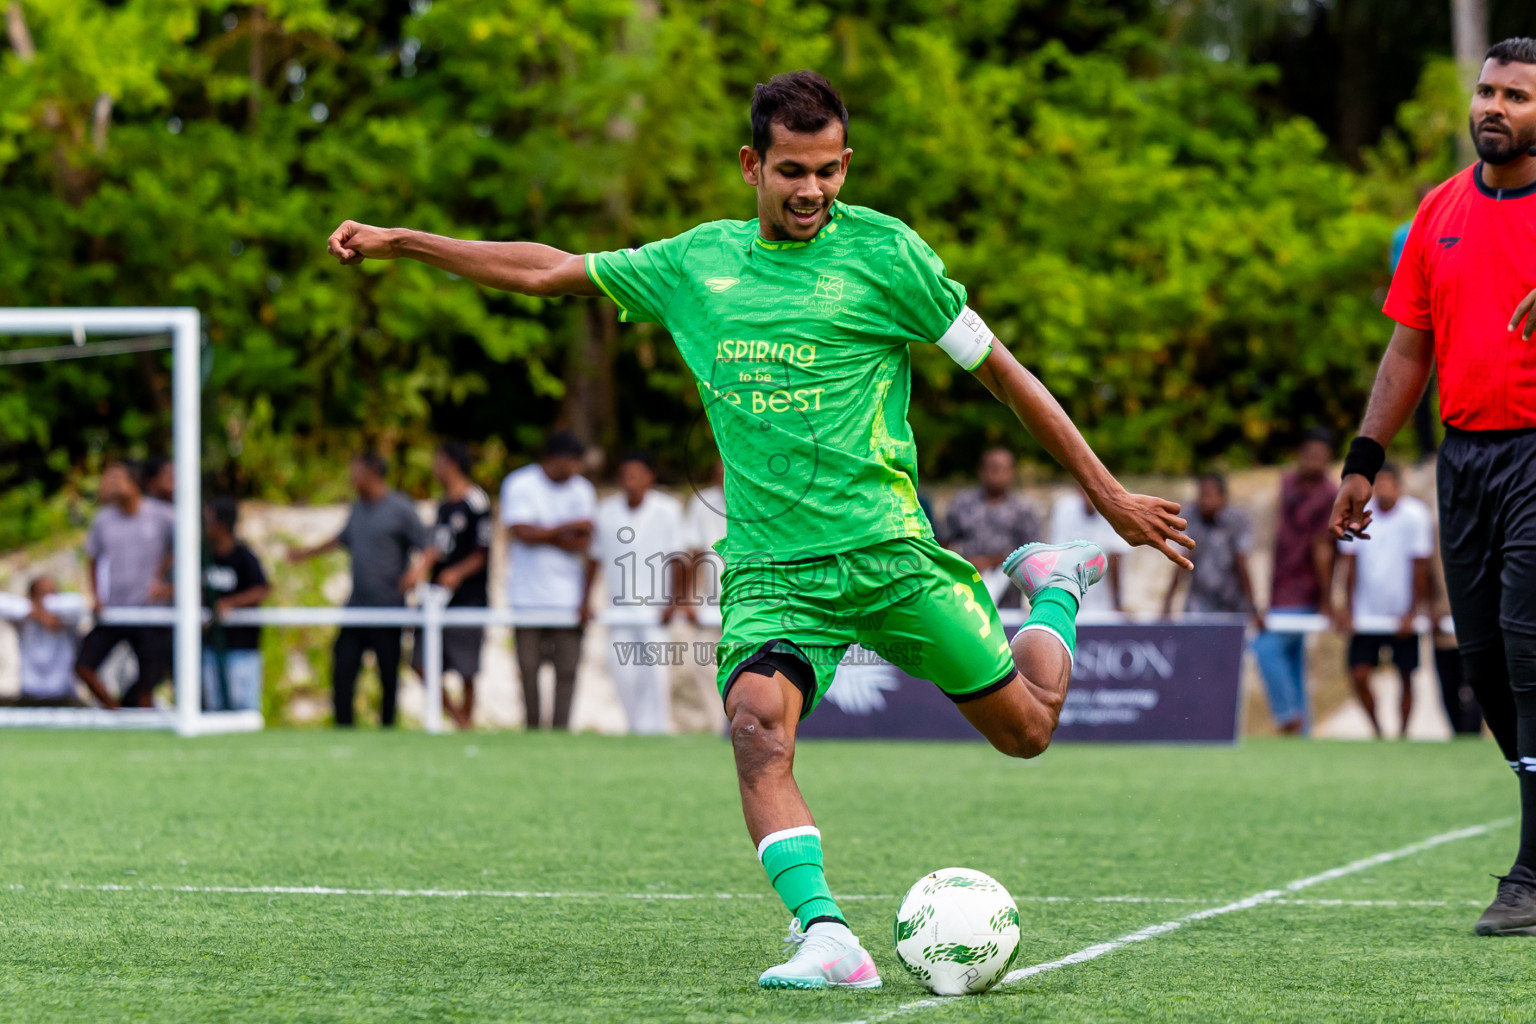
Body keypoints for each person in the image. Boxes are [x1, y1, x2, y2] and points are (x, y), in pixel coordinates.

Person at [327, 70, 1192, 989]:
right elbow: (548, 270)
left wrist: (1107, 494)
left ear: (846, 163)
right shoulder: (697, 265)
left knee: (1026, 731)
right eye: (791, 170)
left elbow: (1006, 375)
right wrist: (406, 242)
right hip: (775, 573)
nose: (812, 190)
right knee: (753, 726)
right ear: (752, 165)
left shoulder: (890, 256)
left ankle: (1053, 589)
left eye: (828, 170)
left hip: (887, 552)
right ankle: (826, 934)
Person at [1330, 38, 1536, 935]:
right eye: (1487, 91)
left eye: (1517, 96)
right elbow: (1409, 348)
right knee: (1484, 663)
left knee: (1528, 649)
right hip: (1466, 459)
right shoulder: (1438, 210)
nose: (1494, 107)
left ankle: (1528, 873)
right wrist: (1363, 460)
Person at [289, 452, 425, 727]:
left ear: (372, 473)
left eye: (356, 470)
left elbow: (427, 544)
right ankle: (344, 728)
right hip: (357, 607)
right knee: (343, 667)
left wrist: (417, 572)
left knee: (388, 675)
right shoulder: (358, 509)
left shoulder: (400, 508)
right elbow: (341, 539)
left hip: (388, 608)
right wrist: (306, 553)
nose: (351, 476)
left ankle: (388, 728)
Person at [500, 431, 596, 731]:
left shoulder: (583, 489)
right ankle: (531, 730)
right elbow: (520, 533)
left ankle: (560, 732)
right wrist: (565, 529)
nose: (577, 470)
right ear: (556, 460)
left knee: (567, 671)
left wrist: (542, 533)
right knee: (528, 670)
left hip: (568, 598)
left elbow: (585, 541)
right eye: (573, 462)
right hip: (526, 597)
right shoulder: (520, 484)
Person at [1334, 464, 1433, 739]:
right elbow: (1349, 564)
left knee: (1406, 675)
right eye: (1381, 483)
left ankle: (1403, 734)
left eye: (1390, 483)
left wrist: (1412, 611)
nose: (1385, 488)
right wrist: (1348, 608)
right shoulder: (1357, 515)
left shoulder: (1415, 515)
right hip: (1368, 612)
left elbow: (1421, 565)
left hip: (1401, 611)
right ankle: (1377, 729)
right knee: (1359, 674)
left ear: (1399, 486)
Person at [1250, 430, 1337, 735]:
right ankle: (1304, 734)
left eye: (1322, 457)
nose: (1315, 462)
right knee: (1293, 660)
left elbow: (1323, 550)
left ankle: (1288, 716)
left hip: (1305, 588)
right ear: (1301, 453)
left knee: (1265, 648)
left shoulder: (1329, 493)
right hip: (1278, 585)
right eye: (1310, 454)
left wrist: (1327, 599)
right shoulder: (1286, 482)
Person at [594, 450, 685, 735]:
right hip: (618, 609)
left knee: (656, 678)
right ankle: (634, 730)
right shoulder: (606, 511)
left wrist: (674, 601)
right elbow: (594, 558)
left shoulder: (667, 509)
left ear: (650, 477)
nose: (630, 481)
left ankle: (656, 733)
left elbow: (679, 558)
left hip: (655, 610)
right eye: (625, 474)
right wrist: (585, 599)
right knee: (624, 676)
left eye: (636, 474)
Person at [404, 441, 492, 730]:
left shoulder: (476, 501)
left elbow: (483, 549)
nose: (434, 467)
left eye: (438, 461)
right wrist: (420, 569)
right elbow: (437, 546)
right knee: (421, 661)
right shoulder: (443, 505)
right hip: (437, 596)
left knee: (466, 668)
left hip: (468, 597)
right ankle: (458, 718)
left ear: (451, 463)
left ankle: (466, 721)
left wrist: (457, 572)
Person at [75, 460, 175, 709]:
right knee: (83, 665)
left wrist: (165, 583)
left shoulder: (162, 515)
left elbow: (188, 548)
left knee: (149, 680)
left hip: (150, 612)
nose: (110, 484)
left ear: (133, 482)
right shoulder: (103, 520)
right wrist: (96, 595)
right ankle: (114, 712)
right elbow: (93, 559)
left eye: (116, 478)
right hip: (117, 609)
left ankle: (143, 721)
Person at [943, 447, 1043, 607]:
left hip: (1008, 595)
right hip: (965, 587)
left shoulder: (1023, 510)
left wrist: (990, 562)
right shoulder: (962, 504)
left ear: (1012, 473)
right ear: (981, 471)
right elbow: (944, 545)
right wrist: (965, 562)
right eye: (993, 468)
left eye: (1004, 469)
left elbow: (1033, 555)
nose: (997, 475)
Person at [202, 497, 270, 712]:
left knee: (244, 707)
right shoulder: (202, 556)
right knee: (214, 706)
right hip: (211, 645)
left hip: (241, 646)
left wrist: (229, 603)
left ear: (221, 525)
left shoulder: (244, 556)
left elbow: (262, 588)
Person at [1160, 474, 1258, 620]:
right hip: (1198, 604)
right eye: (1201, 495)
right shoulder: (1191, 518)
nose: (1203, 501)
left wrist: (1253, 607)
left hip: (1231, 603)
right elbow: (1182, 561)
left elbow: (1242, 563)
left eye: (1208, 495)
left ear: (1222, 496)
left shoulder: (1236, 521)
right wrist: (1168, 602)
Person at [679, 459, 729, 732]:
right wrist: (686, 598)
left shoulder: (760, 499)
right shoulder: (702, 503)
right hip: (711, 603)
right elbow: (691, 553)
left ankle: (744, 725)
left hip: (752, 604)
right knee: (703, 662)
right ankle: (721, 726)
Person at [0, 577, 88, 706]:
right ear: (31, 596)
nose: (47, 599)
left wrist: (47, 611)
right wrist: (36, 611)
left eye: (51, 593)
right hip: (30, 694)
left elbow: (80, 603)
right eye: (41, 593)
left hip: (63, 694)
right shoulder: (23, 619)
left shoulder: (67, 617)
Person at [1048, 488, 1131, 614]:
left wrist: (1117, 603)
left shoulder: (1115, 510)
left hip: (1104, 603)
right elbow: (1057, 558)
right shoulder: (1064, 510)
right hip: (1069, 600)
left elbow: (1115, 559)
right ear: (1079, 491)